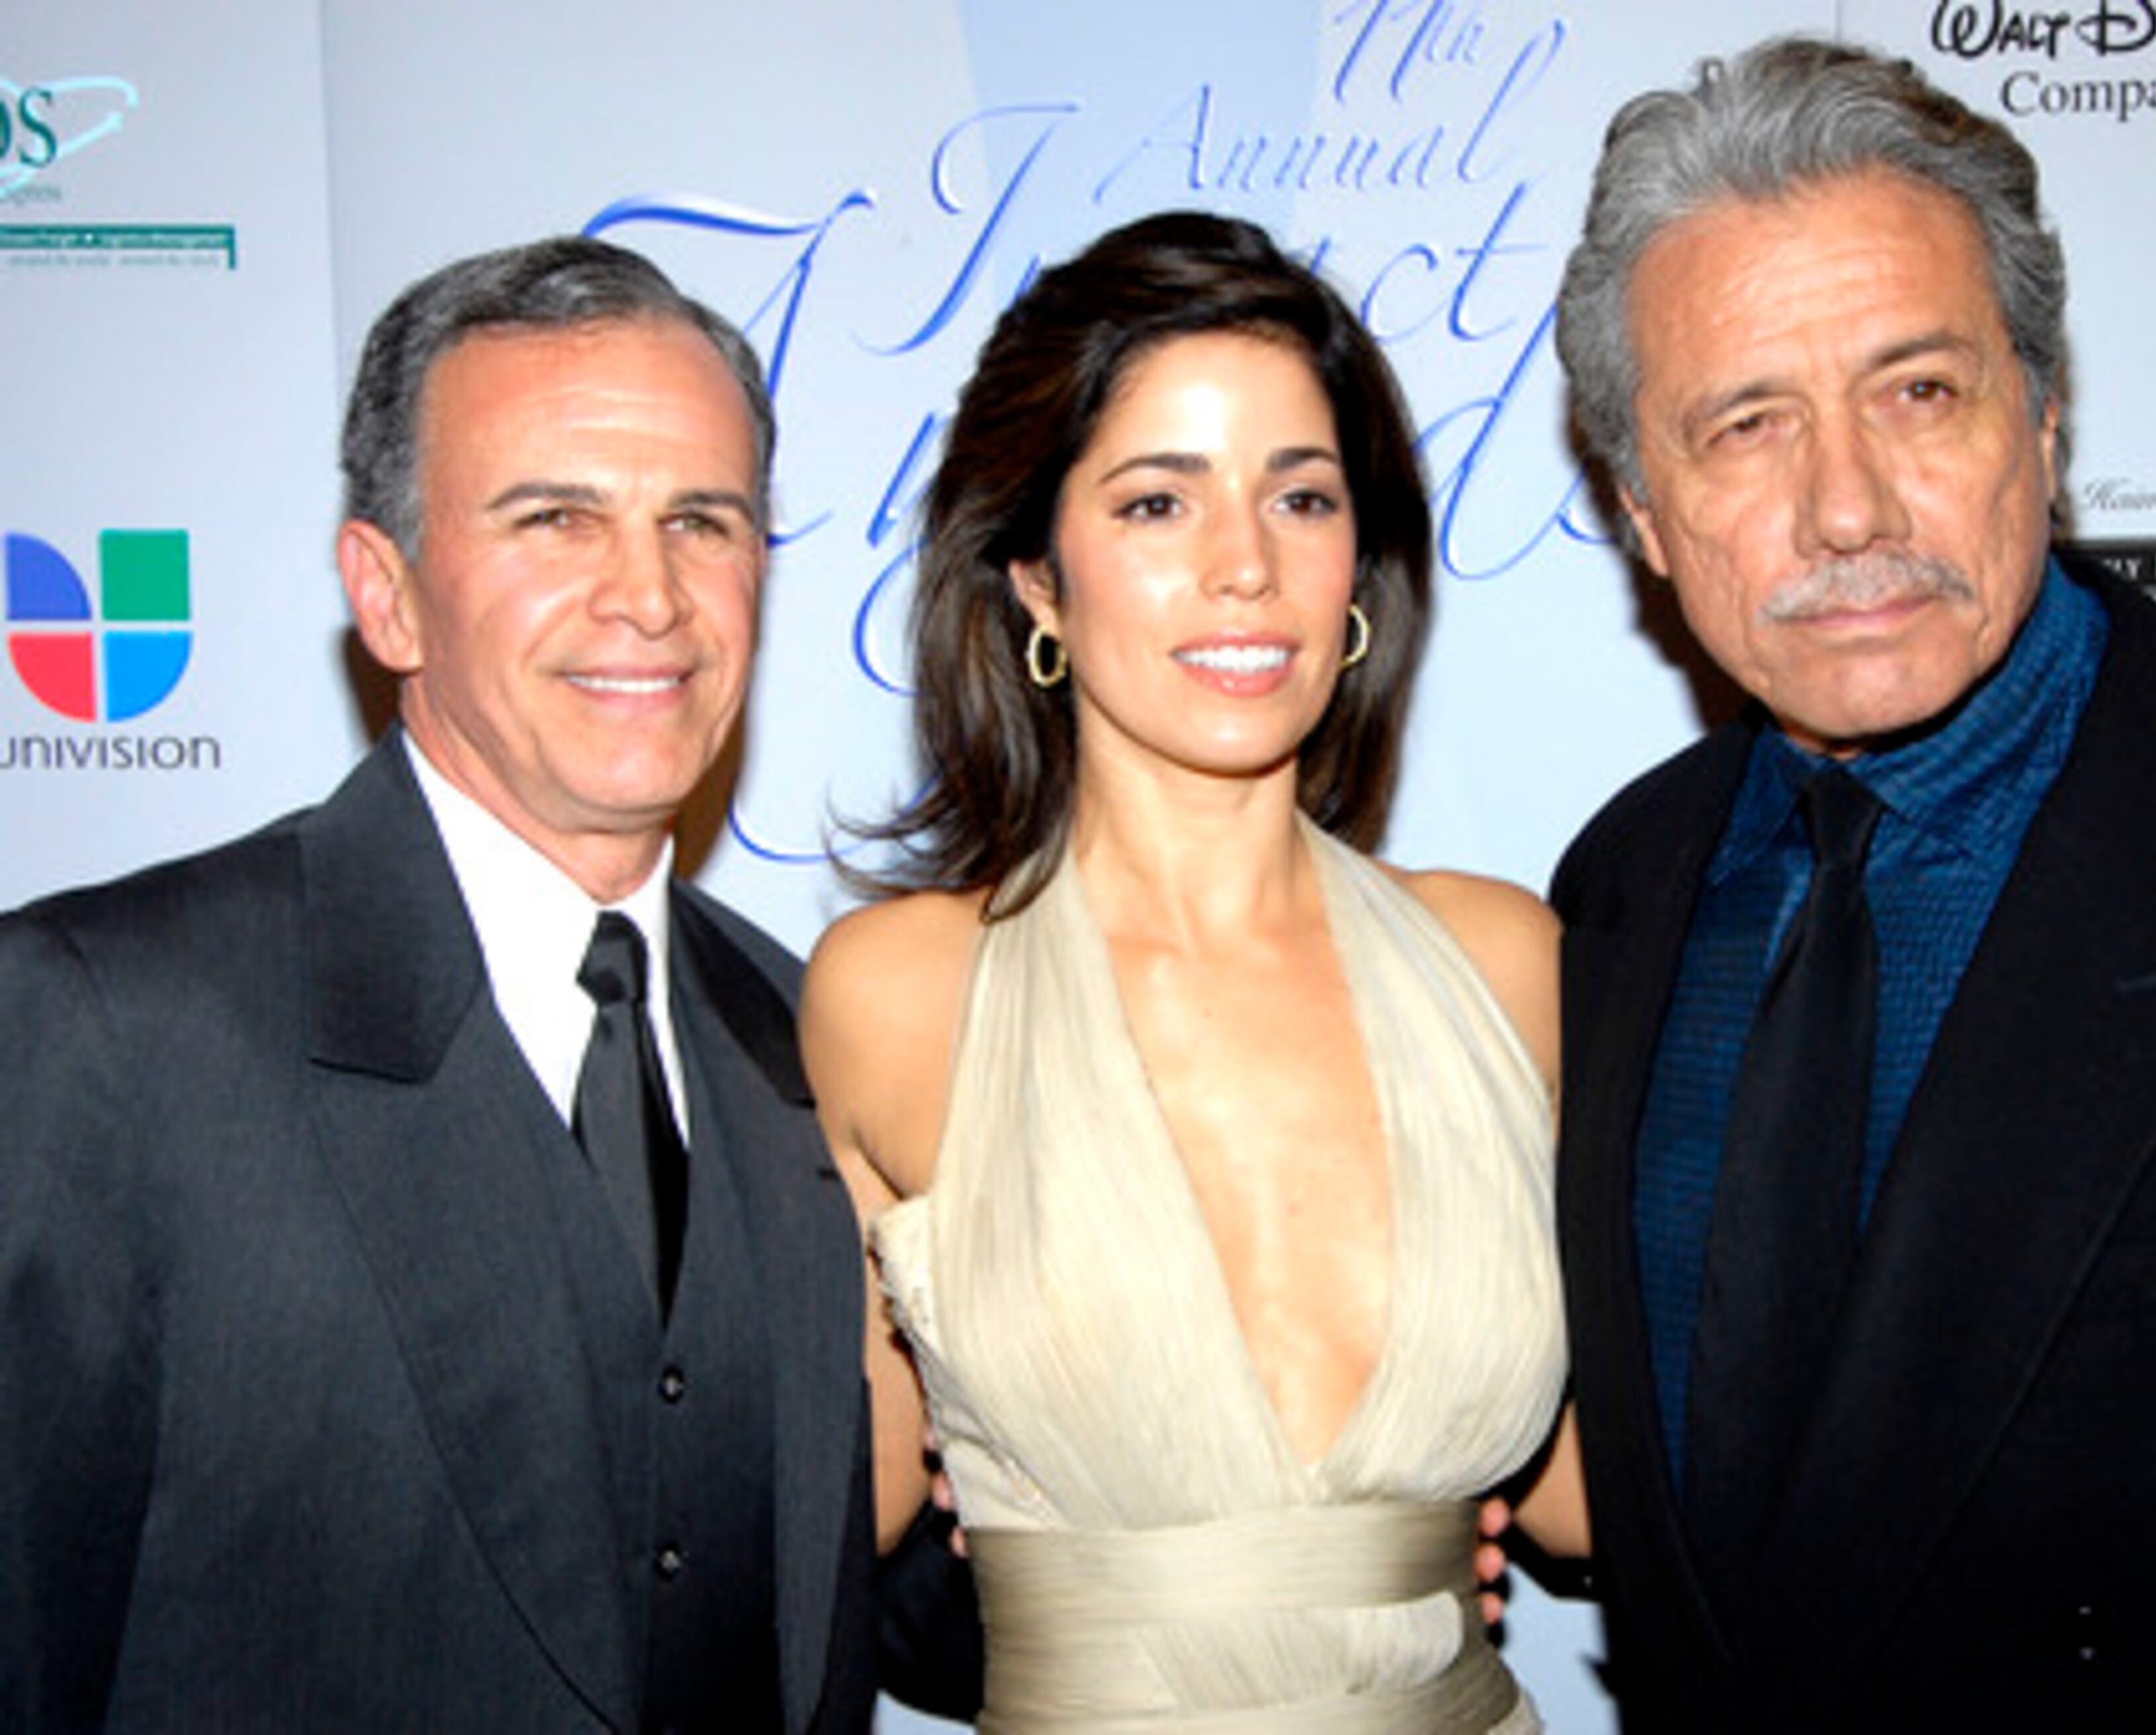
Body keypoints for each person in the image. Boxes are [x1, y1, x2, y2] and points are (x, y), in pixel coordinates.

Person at [1547, 35, 2156, 1731]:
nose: (1847, 505)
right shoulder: (1620, 889)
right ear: (1644, 509)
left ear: (2045, 411)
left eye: (1918, 391)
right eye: (1745, 425)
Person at [0, 236, 974, 1730]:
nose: (648, 596)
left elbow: (886, 1599)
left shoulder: (813, 1037)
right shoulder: (108, 1027)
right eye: (555, 520)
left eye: (702, 522)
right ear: (387, 595)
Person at [800, 210, 1586, 1730]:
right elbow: (830, 1518)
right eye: (1159, 503)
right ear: (1036, 574)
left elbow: (1593, 1499)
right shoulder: (897, 997)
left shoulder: (1508, 962)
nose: (1244, 566)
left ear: (1361, 558)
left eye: (1301, 495)